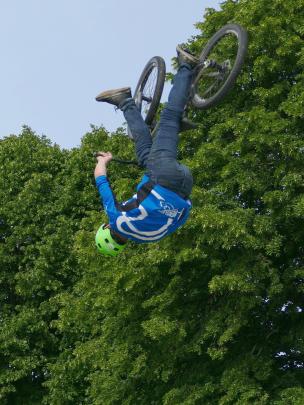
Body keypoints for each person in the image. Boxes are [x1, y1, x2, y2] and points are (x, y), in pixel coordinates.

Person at [94, 46, 198, 256]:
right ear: (105, 230)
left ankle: (124, 101)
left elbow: (183, 216)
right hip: (163, 176)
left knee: (144, 157)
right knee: (169, 117)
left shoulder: (149, 238)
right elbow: (101, 182)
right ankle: (186, 65)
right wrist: (102, 161)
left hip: (185, 185)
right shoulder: (116, 219)